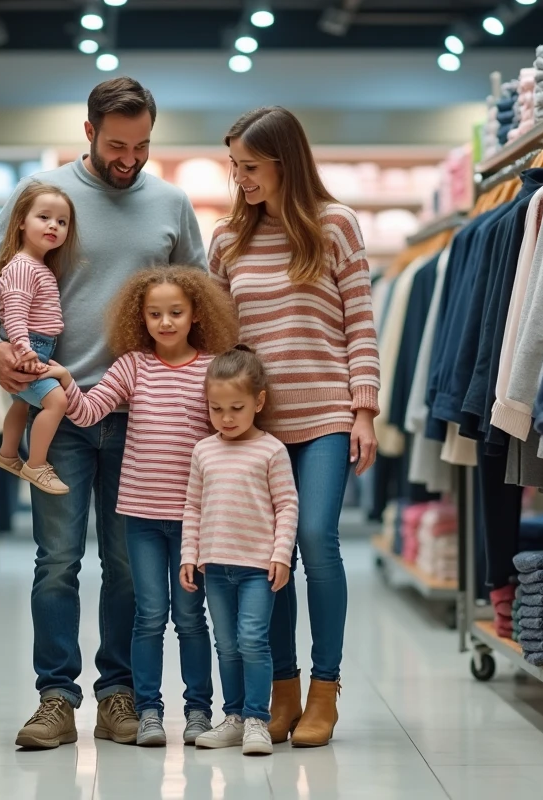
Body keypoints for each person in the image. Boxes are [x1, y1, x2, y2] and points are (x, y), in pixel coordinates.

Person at [0, 77, 208, 749]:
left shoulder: (172, 204)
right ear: (90, 133)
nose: (130, 159)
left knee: (129, 566)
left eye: (142, 146)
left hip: (144, 417)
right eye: (117, 145)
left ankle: (117, 694)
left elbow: (200, 296)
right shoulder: (45, 193)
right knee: (57, 561)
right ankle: (55, 698)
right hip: (59, 410)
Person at [207, 106, 381, 748]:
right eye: (235, 166)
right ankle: (280, 690)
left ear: (286, 162)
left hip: (327, 412)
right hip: (258, 427)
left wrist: (364, 410)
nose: (241, 178)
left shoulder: (336, 225)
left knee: (314, 538)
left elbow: (360, 324)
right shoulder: (226, 239)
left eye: (251, 166)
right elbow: (219, 340)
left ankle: (324, 691)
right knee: (264, 554)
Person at [42, 266, 238, 747]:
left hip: (193, 521)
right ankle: (148, 710)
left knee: (190, 619)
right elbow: (90, 411)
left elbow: (227, 434)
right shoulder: (132, 366)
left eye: (176, 312)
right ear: (140, 318)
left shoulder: (212, 369)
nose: (165, 322)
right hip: (142, 520)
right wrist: (65, 380)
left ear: (196, 314)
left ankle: (198, 711)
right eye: (154, 314)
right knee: (149, 616)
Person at [179, 345, 299, 757]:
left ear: (258, 402)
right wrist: (189, 555)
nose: (226, 418)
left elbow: (287, 505)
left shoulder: (271, 450)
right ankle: (232, 718)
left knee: (252, 640)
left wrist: (281, 555)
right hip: (215, 568)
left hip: (256, 569)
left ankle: (256, 719)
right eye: (216, 409)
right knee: (226, 644)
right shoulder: (203, 450)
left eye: (236, 408)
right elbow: (192, 506)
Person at [0, 183, 79, 495]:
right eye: (44, 217)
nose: (53, 225)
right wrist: (24, 349)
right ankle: (36, 464)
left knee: (21, 403)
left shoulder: (36, 265)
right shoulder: (23, 267)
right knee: (56, 402)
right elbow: (14, 314)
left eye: (62, 221)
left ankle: (7, 454)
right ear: (21, 222)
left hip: (36, 345)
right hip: (29, 347)